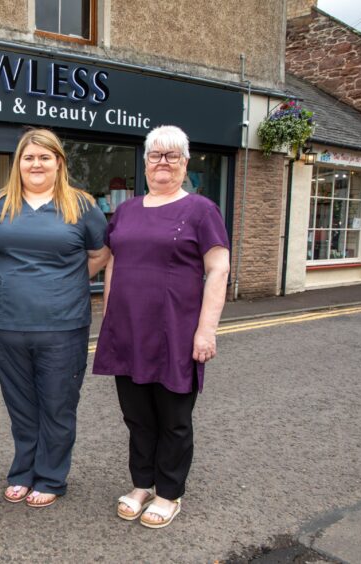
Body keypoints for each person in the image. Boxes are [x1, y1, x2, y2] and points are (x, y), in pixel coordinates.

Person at [92, 125, 230, 529]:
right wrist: (109, 314)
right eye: (155, 155)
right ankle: (141, 484)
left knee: (174, 418)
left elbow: (218, 269)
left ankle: (169, 492)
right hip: (128, 331)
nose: (163, 163)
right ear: (145, 162)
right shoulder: (127, 210)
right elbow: (114, 262)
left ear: (185, 163)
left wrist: (206, 330)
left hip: (175, 332)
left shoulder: (202, 210)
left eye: (172, 155)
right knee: (136, 416)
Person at [0, 128, 110, 508]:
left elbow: (100, 254)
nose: (36, 164)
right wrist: (10, 279)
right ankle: (22, 471)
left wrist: (61, 281)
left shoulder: (80, 206)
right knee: (20, 406)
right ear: (18, 163)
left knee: (57, 404)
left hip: (63, 326)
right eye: (29, 157)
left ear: (59, 162)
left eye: (45, 157)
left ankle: (50, 476)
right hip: (6, 325)